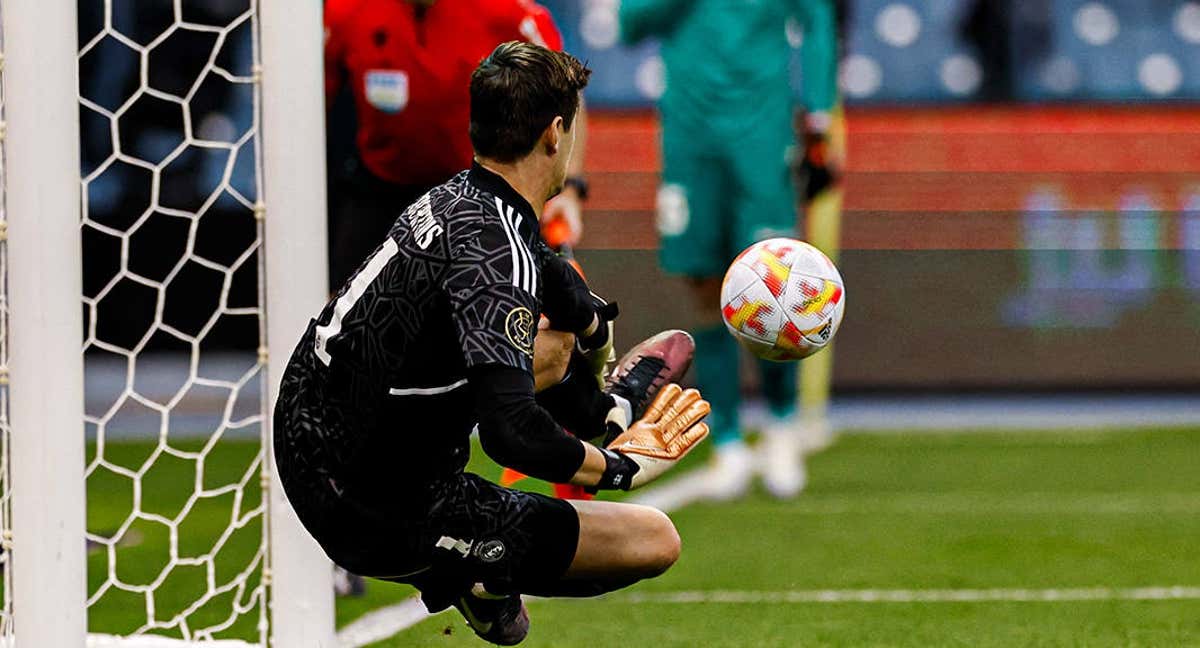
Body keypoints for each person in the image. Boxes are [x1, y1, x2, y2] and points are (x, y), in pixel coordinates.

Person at [274, 42, 710, 645]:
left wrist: (594, 332)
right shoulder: (497, 258)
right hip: (375, 508)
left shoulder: (461, 197)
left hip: (305, 430)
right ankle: (473, 563)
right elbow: (512, 433)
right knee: (654, 538)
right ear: (556, 134)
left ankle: (605, 412)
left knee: (545, 343)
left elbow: (553, 280)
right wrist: (619, 468)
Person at [619, 0, 839, 500]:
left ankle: (782, 426)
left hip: (761, 132)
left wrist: (819, 115)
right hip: (691, 133)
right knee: (702, 281)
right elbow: (629, 24)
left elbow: (818, 21)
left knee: (776, 285)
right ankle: (728, 441)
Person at [323, 0, 589, 291]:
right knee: (341, 311)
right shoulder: (345, 12)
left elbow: (567, 95)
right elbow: (306, 103)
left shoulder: (506, 10)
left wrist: (569, 190)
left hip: (477, 193)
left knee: (510, 315)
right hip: (378, 190)